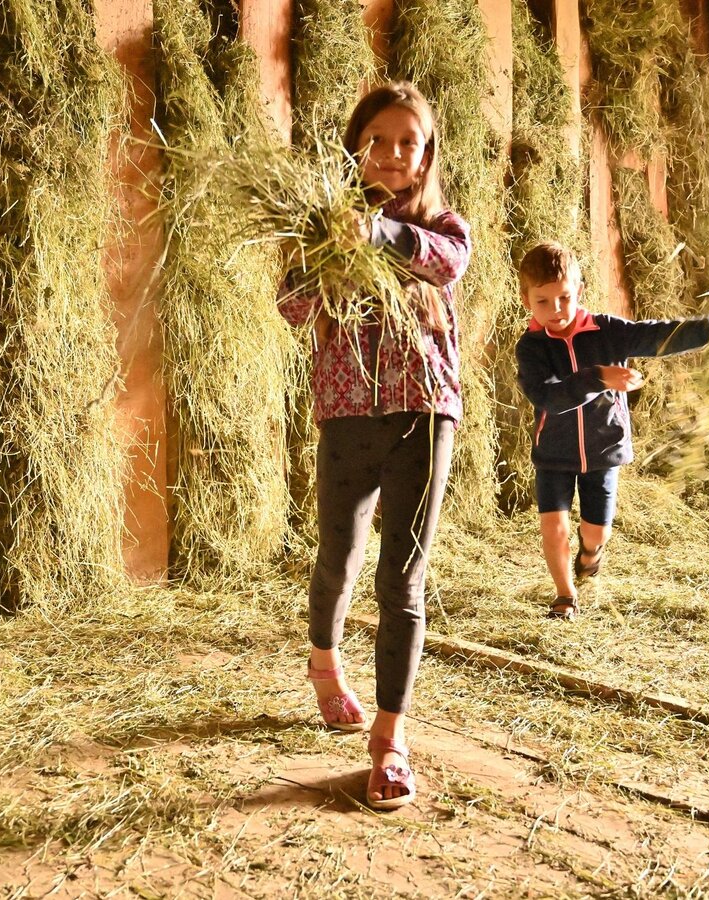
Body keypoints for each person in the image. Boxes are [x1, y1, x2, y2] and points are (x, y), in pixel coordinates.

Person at [277, 81, 471, 810]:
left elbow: (447, 263)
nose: (392, 154)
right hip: (348, 412)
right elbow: (291, 308)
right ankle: (324, 664)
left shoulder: (441, 228)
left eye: (407, 143)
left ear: (425, 156)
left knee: (403, 578)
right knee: (340, 556)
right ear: (355, 149)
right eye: (378, 141)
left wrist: (378, 234)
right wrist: (327, 249)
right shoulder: (323, 226)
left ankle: (390, 739)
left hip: (424, 412)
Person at [515, 241, 709, 620]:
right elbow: (548, 397)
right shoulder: (531, 348)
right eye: (543, 301)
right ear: (526, 299)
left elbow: (660, 337)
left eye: (564, 298)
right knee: (553, 527)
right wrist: (598, 377)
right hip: (553, 454)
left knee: (596, 533)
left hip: (603, 450)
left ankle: (590, 553)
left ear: (579, 290)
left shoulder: (607, 331)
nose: (555, 309)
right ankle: (564, 595)